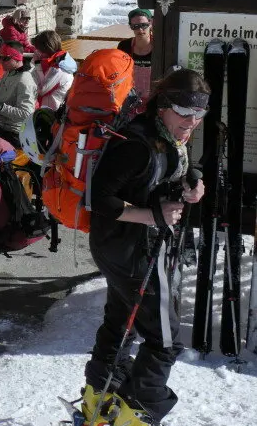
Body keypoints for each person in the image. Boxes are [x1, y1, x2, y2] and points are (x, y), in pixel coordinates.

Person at [80, 69, 208, 426]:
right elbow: (99, 198)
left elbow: (165, 173)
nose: (192, 121)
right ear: (164, 106)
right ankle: (137, 413)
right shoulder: (138, 144)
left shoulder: (166, 136)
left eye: (200, 114)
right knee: (164, 340)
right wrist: (152, 215)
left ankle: (99, 397)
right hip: (132, 249)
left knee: (121, 321)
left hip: (121, 247)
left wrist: (190, 184)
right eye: (185, 112)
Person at [31, 30, 77, 111]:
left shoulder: (59, 68)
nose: (36, 51)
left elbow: (41, 90)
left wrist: (37, 63)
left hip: (52, 113)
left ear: (46, 49)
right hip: (50, 106)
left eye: (38, 49)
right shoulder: (61, 59)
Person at [118, 9, 154, 105]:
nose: (140, 30)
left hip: (154, 99)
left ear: (150, 23)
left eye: (144, 25)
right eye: (136, 26)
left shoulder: (159, 46)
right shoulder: (124, 46)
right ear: (131, 27)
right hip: (130, 99)